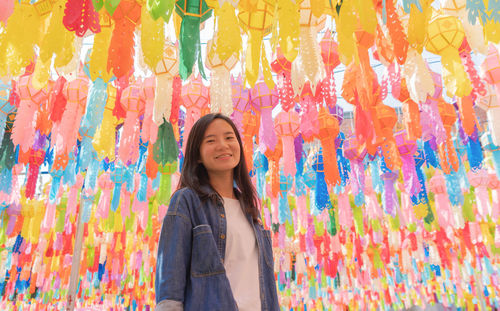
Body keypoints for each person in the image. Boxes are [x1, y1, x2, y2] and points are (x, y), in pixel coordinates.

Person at [155, 113, 280, 311]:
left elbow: (263, 284)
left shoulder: (250, 210)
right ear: (197, 155)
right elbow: (170, 282)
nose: (223, 145)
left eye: (229, 138)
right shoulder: (186, 201)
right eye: (211, 140)